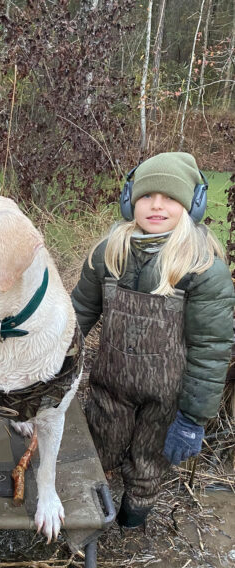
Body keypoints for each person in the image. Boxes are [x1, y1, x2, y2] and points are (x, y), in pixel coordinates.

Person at [72, 151, 235, 528]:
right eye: (147, 195)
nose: (157, 205)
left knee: (147, 467)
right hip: (109, 388)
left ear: (192, 205)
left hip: (166, 401)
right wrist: (50, 360)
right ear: (130, 199)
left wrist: (192, 418)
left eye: (170, 197)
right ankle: (86, 523)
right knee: (94, 454)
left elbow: (210, 350)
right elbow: (79, 311)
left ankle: (131, 523)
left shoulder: (203, 268)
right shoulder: (109, 253)